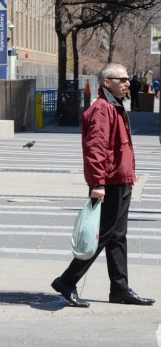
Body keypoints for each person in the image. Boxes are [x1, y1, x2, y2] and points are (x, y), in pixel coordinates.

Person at [51, 63, 154, 308]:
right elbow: (95, 149)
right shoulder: (102, 109)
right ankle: (67, 280)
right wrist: (98, 183)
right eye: (122, 79)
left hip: (122, 179)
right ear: (106, 82)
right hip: (108, 181)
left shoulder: (115, 105)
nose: (128, 83)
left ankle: (120, 289)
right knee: (103, 235)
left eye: (128, 79)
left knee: (118, 236)